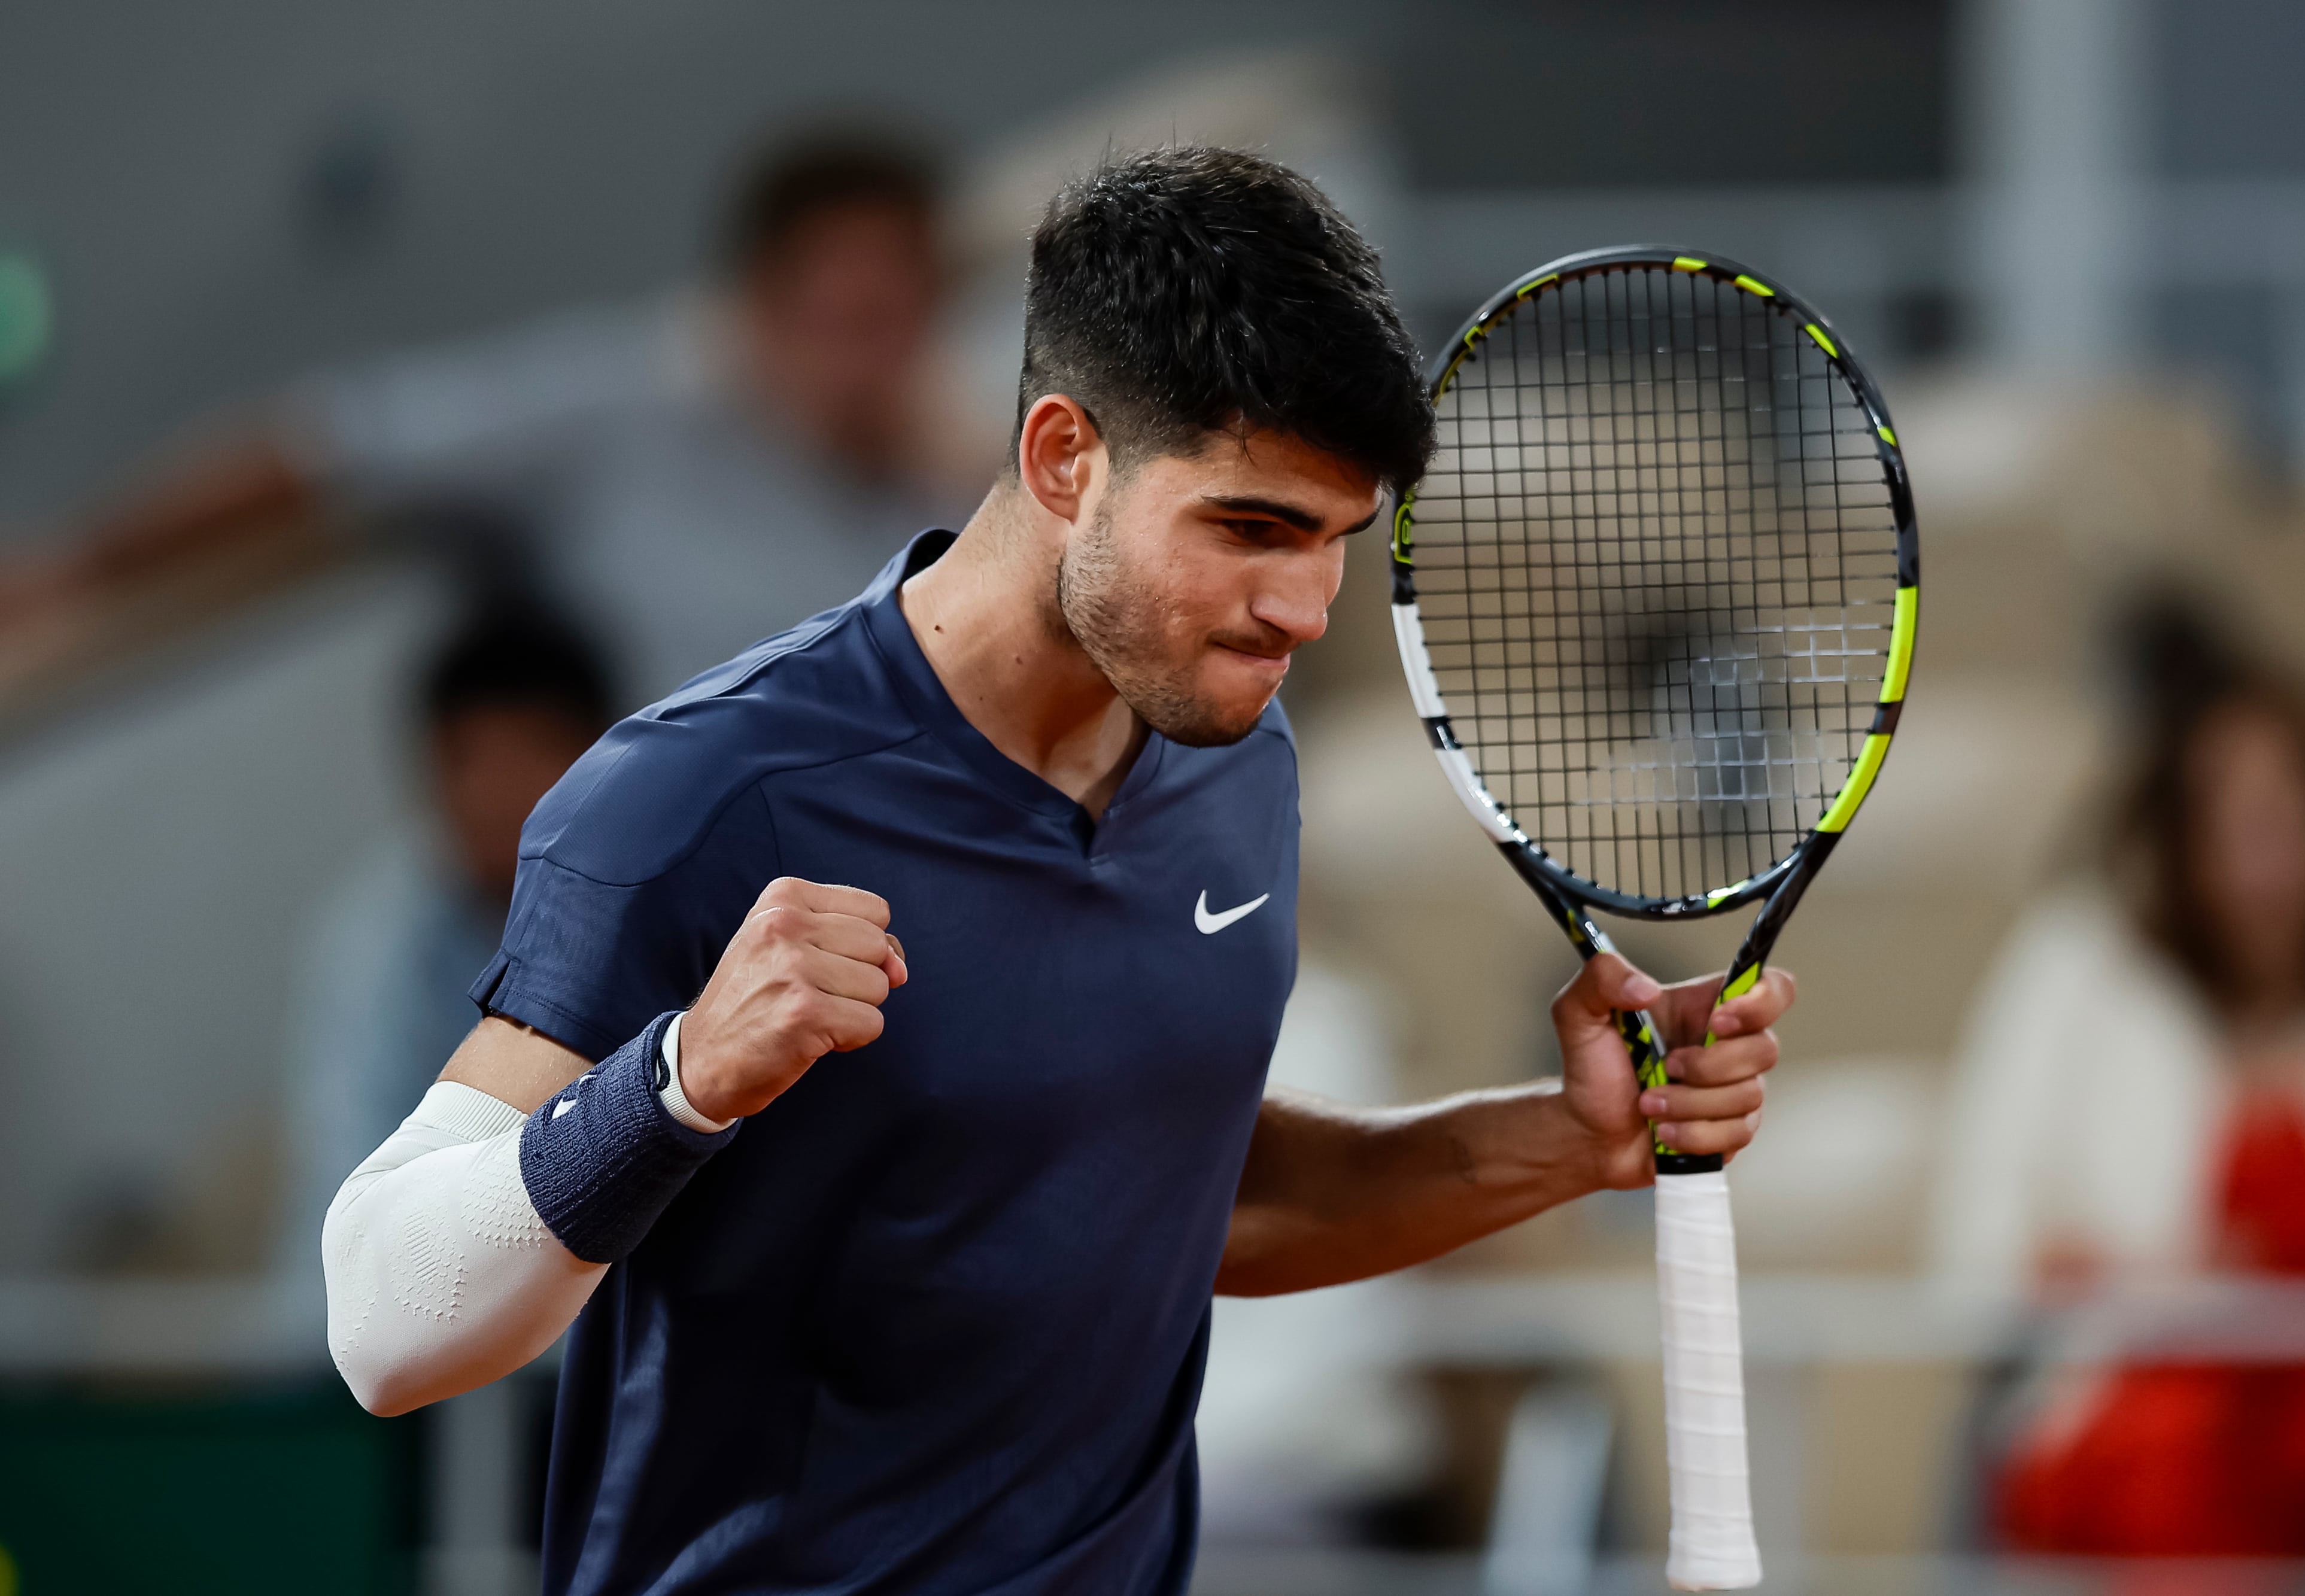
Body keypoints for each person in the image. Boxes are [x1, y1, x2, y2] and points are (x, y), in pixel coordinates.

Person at [317, 148, 1795, 1595]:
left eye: (1339, 540)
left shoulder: (1239, 769)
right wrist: (677, 1081)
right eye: (1249, 528)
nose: (1302, 609)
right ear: (1064, 458)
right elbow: (387, 1324)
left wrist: (1568, 1138)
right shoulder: (698, 796)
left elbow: (1182, 1199)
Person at [2, 130, 958, 700]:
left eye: (898, 318)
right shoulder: (615, 411)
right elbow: (328, 446)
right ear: (758, 304)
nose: (869, 363)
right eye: (844, 321)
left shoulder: (967, 483)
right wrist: (80, 567)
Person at [1932, 595, 2305, 1555]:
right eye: (2234, 818)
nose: (2264, 851)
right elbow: (1987, 1260)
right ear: (2181, 840)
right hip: (2139, 1463)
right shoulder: (2079, 977)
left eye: (2289, 812)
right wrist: (2178, 1288)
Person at [278, 597, 615, 1278]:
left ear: (605, 755)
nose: (495, 793)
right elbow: (353, 1190)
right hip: (401, 1317)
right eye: (466, 760)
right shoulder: (379, 941)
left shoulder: (672, 909)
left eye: (528, 754)